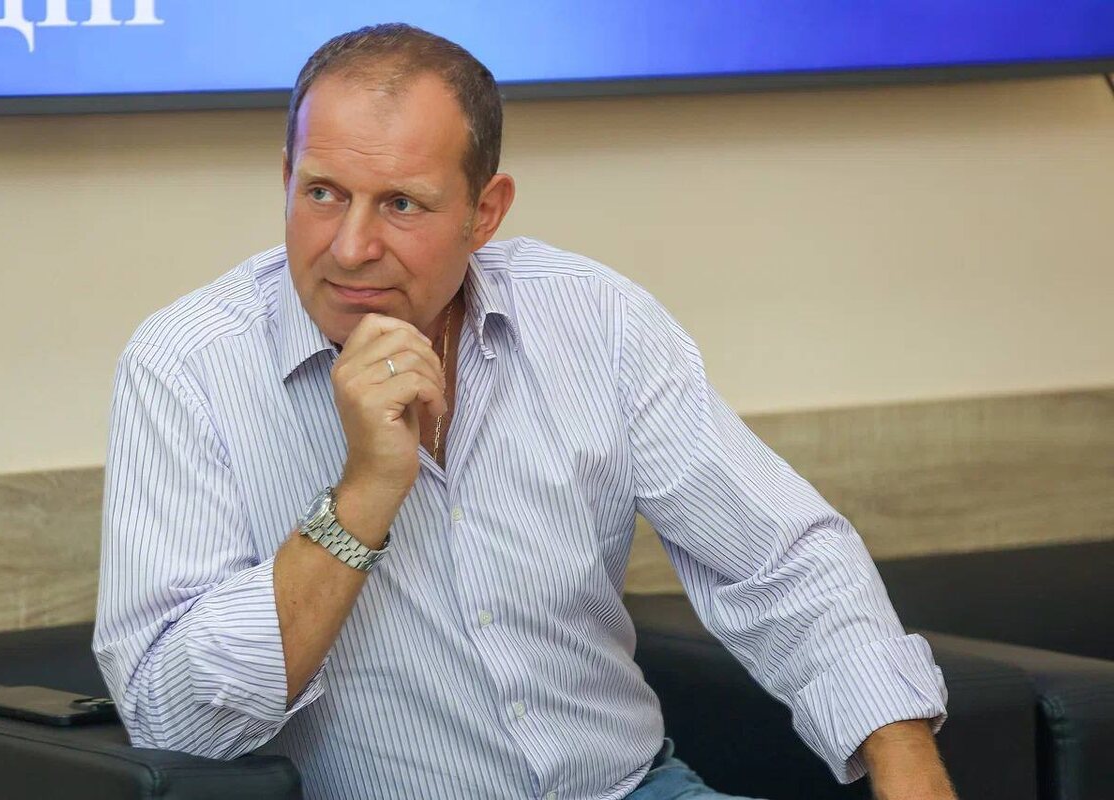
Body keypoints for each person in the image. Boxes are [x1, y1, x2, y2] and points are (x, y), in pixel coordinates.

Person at [95, 23, 956, 800]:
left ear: (485, 212)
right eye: (322, 193)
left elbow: (781, 559)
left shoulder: (594, 319)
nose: (351, 247)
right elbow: (174, 720)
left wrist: (905, 761)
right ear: (286, 179)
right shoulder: (187, 365)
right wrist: (362, 496)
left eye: (401, 204)